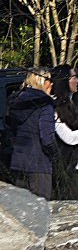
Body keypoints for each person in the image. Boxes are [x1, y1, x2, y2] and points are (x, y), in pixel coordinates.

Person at [4, 68, 59, 199]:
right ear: (41, 81)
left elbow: (10, 132)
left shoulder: (15, 102)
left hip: (18, 163)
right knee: (41, 210)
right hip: (39, 165)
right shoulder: (45, 103)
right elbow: (47, 138)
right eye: (49, 80)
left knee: (21, 210)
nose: (52, 84)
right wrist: (55, 156)